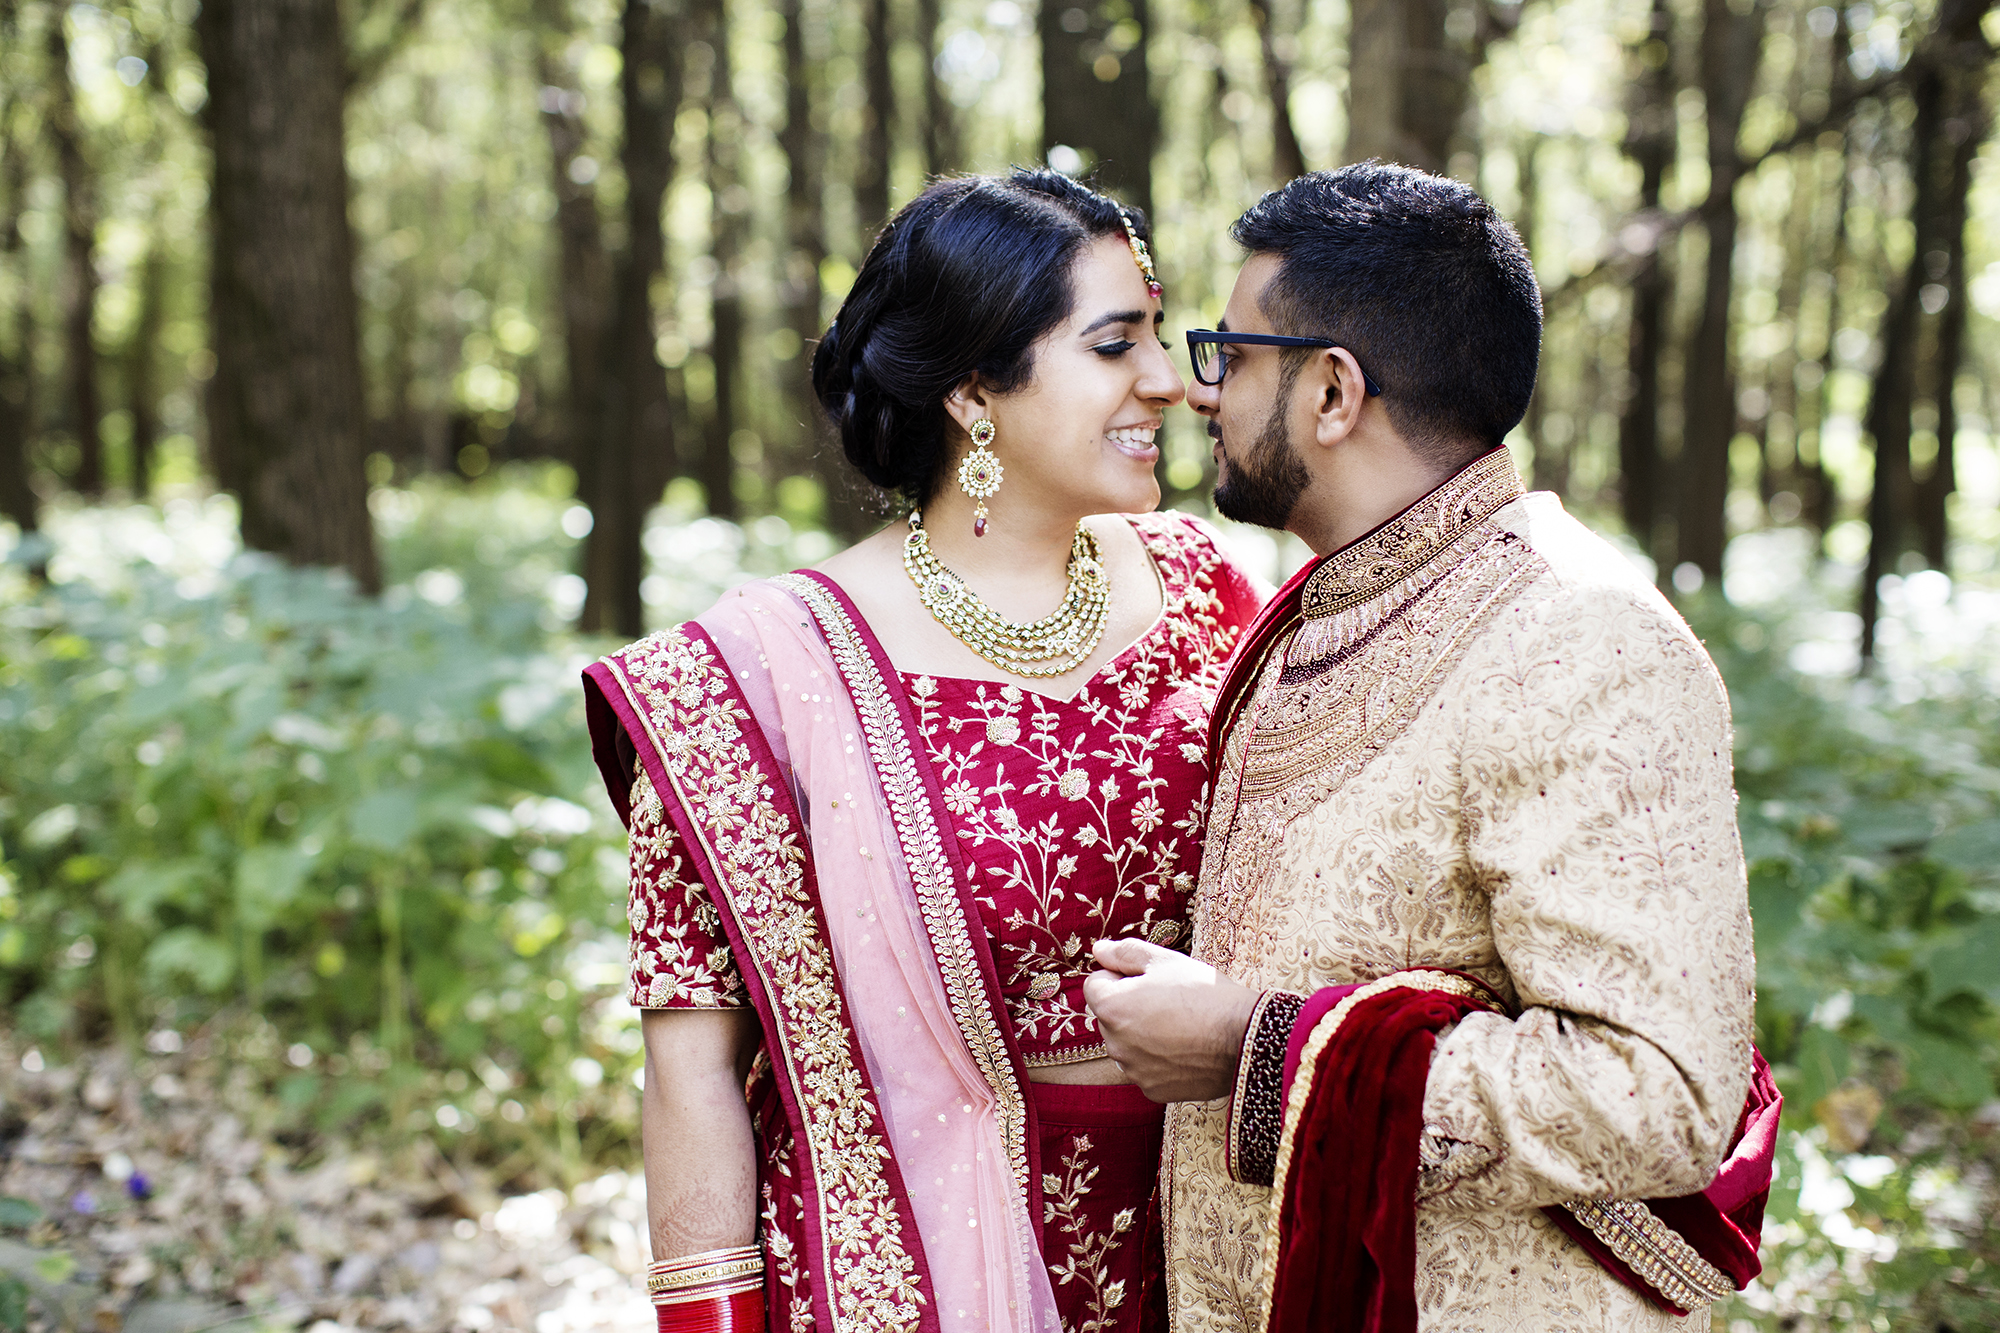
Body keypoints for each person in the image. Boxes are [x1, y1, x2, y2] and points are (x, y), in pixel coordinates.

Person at [1084, 163, 1780, 1333]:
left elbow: (1661, 1097)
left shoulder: (1579, 638)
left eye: (1230, 354)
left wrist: (1254, 1050)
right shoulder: (1319, 609)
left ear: (1331, 391)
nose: (1199, 393)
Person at [582, 169, 1267, 1333]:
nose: (1164, 380)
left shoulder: (1210, 588)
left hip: (1208, 1234)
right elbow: (693, 1064)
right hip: (903, 1266)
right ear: (970, 389)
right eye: (1113, 345)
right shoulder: (752, 677)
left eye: (1156, 335)